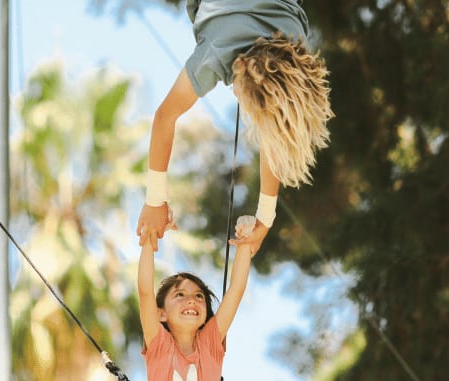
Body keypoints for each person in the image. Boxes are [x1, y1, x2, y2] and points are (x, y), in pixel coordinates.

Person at [137, 0, 334, 254]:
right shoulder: (218, 50)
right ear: (240, 70)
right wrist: (154, 201)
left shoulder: (296, 52)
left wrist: (266, 215)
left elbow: (272, 134)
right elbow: (165, 117)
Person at [135, 217, 255, 381]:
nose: (191, 300)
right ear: (161, 314)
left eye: (199, 296)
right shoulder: (158, 343)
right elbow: (145, 291)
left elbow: (236, 290)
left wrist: (245, 244)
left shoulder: (211, 343)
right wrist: (149, 240)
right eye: (180, 295)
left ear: (206, 314)